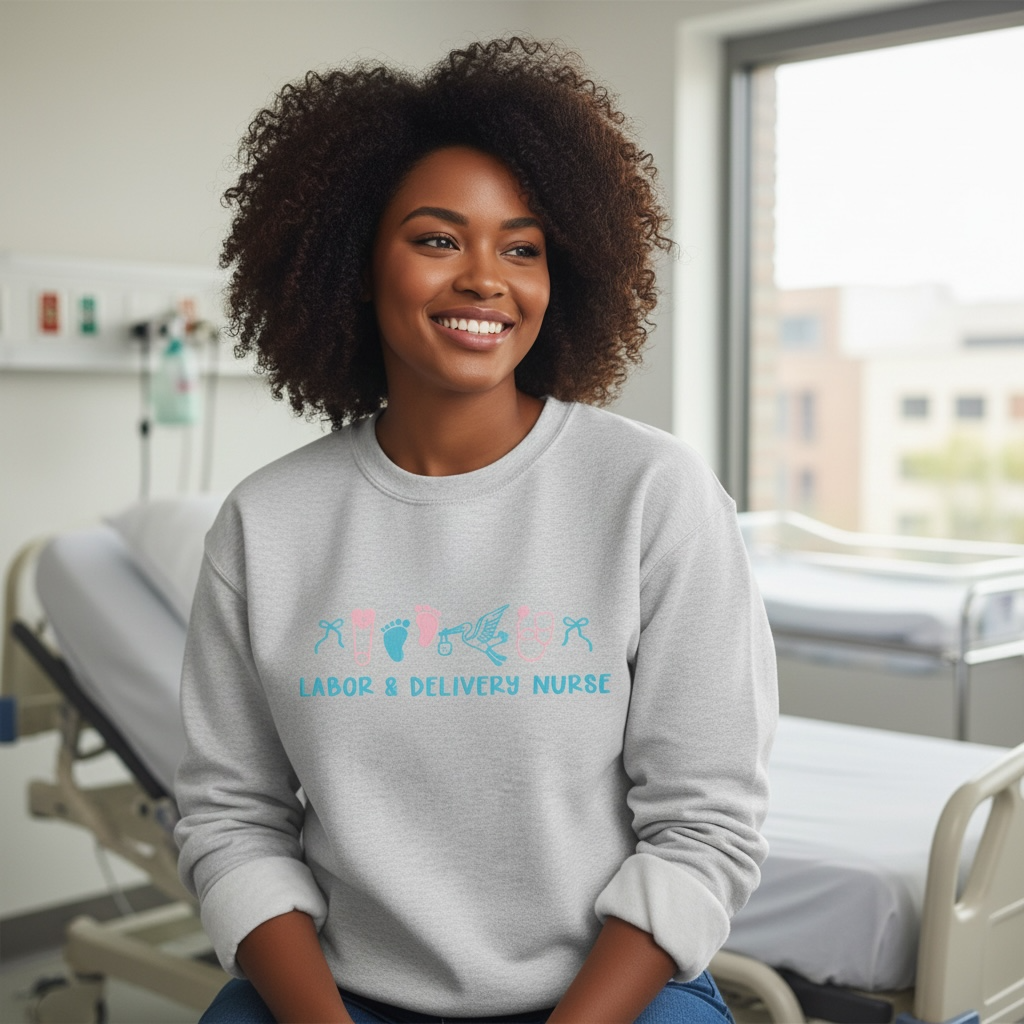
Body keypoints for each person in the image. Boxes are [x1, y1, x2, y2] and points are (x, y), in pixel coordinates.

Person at [174, 36, 777, 1024]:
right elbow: (231, 822)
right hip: (347, 999)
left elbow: (702, 828)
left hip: (606, 999)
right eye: (437, 238)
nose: (486, 277)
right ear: (353, 264)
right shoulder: (268, 523)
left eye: (523, 246)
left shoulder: (650, 493)